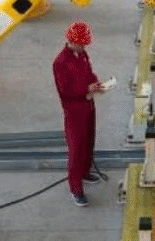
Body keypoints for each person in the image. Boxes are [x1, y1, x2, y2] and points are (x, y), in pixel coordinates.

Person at [53, 21, 104, 207]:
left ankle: (85, 172)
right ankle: (76, 189)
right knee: (76, 148)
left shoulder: (81, 54)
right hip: (74, 111)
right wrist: (86, 89)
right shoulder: (60, 62)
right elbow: (65, 90)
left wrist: (96, 82)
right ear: (71, 41)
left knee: (88, 141)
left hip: (88, 105)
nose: (84, 48)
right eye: (81, 45)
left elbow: (88, 72)